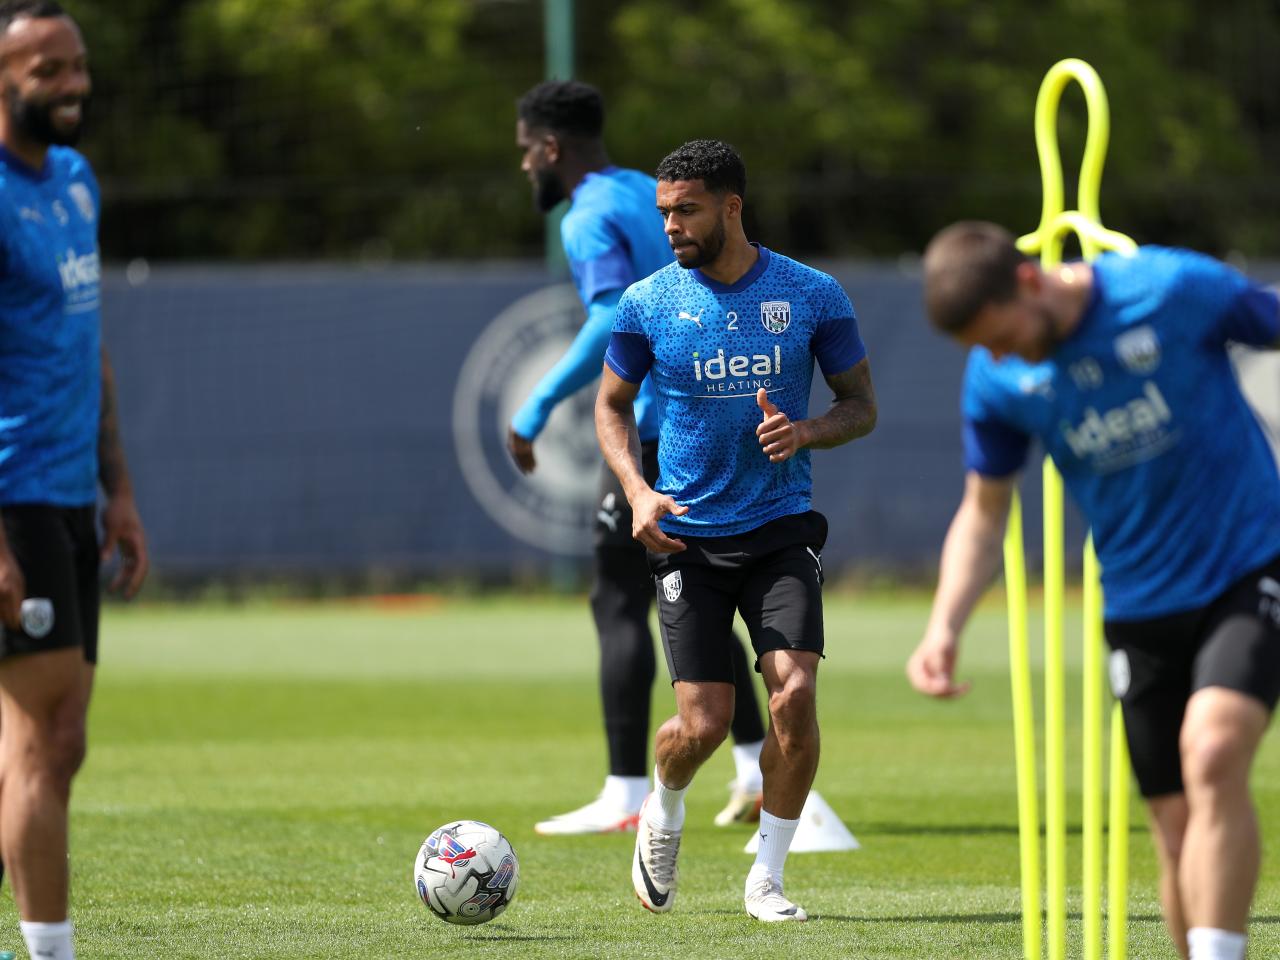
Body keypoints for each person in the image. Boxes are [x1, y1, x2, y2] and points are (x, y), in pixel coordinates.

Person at [907, 221, 1280, 960]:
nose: (998, 356)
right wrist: (944, 626)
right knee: (1173, 829)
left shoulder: (1171, 289)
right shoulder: (998, 378)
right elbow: (984, 515)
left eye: (1000, 335)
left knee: (1212, 751)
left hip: (1247, 565)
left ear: (1029, 281)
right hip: (1138, 604)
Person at [596, 139, 877, 921]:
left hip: (782, 529)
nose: (672, 227)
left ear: (731, 207)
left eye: (685, 210)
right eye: (663, 213)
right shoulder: (647, 302)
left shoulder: (812, 294)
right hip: (685, 535)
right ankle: (664, 805)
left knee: (793, 695)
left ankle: (769, 877)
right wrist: (637, 491)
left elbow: (862, 406)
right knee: (704, 724)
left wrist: (808, 432)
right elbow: (611, 405)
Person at [512, 82, 769, 836]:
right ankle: (754, 768)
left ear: (551, 149)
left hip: (655, 429)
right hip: (698, 420)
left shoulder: (588, 214)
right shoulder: (641, 193)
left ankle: (626, 791)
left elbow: (608, 317)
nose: (525, 163)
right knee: (701, 588)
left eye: (526, 149)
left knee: (621, 597)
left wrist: (533, 409)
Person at [0, 3, 149, 958]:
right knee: (39, 742)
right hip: (10, 499)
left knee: (60, 743)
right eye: (48, 68)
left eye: (78, 66)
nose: (72, 85)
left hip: (67, 497)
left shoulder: (77, 182)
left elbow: (86, 348)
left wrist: (119, 490)